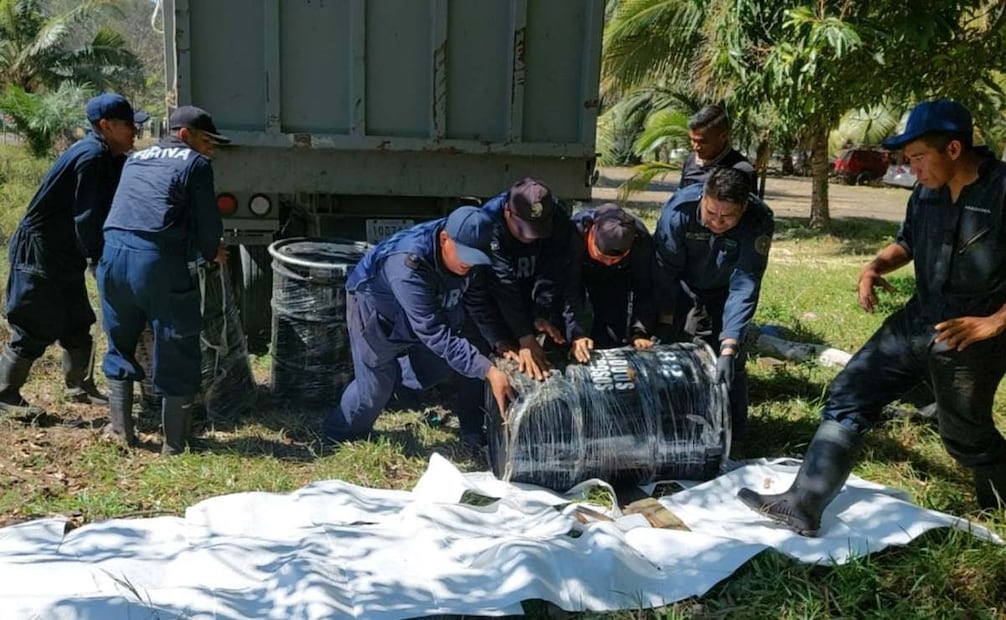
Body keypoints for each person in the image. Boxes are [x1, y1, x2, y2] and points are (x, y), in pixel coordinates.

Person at [738, 99, 1006, 536]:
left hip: (973, 334)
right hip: (919, 319)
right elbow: (909, 243)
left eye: (917, 158)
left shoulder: (1001, 190)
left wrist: (993, 322)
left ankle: (998, 504)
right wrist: (876, 266)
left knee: (965, 436)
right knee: (851, 389)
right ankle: (803, 503)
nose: (910, 168)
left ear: (953, 150)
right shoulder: (926, 191)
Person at [0, 93, 147, 415]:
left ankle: (79, 387)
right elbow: (87, 216)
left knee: (77, 320)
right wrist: (99, 259)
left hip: (65, 251)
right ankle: (5, 394)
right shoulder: (91, 157)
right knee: (34, 320)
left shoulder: (107, 155)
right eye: (129, 125)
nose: (135, 131)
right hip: (40, 249)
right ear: (106, 126)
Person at [97, 105, 229, 454]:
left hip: (111, 256)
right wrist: (210, 250)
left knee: (120, 341)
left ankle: (121, 432)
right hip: (155, 262)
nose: (211, 148)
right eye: (206, 140)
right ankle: (176, 443)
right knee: (177, 344)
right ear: (184, 135)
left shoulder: (135, 158)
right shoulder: (196, 164)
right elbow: (208, 224)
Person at [321, 206, 516, 443]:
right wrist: (489, 371)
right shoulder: (407, 265)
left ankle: (393, 382)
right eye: (466, 257)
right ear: (445, 239)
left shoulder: (467, 250)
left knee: (441, 365)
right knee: (373, 390)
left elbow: (477, 302)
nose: (470, 265)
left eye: (476, 259)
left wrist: (498, 340)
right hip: (375, 308)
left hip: (426, 308)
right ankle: (336, 435)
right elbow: (434, 332)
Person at [653, 166, 774, 439]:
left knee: (730, 357)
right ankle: (673, 423)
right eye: (711, 213)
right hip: (682, 283)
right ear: (703, 199)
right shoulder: (679, 211)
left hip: (726, 288)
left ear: (743, 208)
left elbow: (745, 283)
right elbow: (664, 273)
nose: (718, 222)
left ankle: (734, 431)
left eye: (727, 217)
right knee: (677, 348)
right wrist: (664, 318)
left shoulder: (758, 220)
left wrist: (729, 346)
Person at [475, 178, 594, 381]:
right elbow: (500, 285)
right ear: (507, 213)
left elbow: (564, 275)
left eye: (537, 230)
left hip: (533, 279)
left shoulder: (559, 220)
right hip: (494, 289)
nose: (529, 238)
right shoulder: (487, 224)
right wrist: (523, 337)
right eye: (523, 229)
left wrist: (559, 322)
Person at [570, 203, 656, 349]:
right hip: (578, 271)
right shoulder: (573, 234)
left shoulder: (640, 241)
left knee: (612, 334)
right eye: (602, 257)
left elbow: (645, 287)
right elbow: (567, 288)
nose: (608, 263)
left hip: (618, 276)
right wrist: (576, 333)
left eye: (614, 259)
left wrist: (640, 331)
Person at [679, 104, 755, 190]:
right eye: (693, 140)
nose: (696, 147)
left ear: (723, 136)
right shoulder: (690, 160)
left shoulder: (741, 170)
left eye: (703, 142)